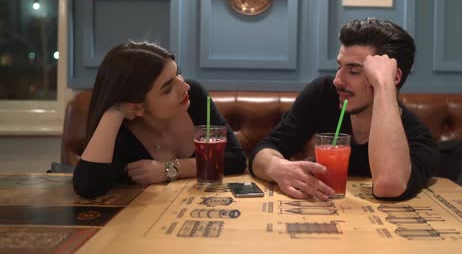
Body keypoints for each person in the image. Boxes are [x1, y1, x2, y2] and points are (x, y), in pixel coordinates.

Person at [249, 18, 439, 201]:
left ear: (393, 77)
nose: (337, 80)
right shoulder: (323, 95)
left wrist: (383, 85)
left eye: (354, 71)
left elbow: (388, 186)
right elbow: (261, 152)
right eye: (340, 67)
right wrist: (277, 167)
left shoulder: (416, 136)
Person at [73, 41, 246, 198]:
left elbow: (236, 160)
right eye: (167, 88)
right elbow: (88, 187)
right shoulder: (122, 133)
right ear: (137, 107)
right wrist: (114, 112)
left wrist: (169, 169)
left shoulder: (194, 97)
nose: (185, 86)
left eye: (178, 74)